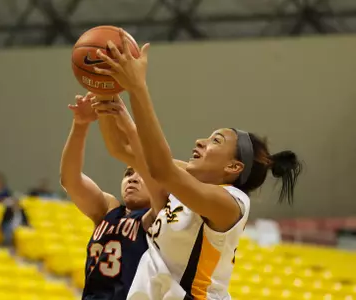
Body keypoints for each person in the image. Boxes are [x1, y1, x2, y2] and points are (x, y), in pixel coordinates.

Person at [92, 29, 302, 299]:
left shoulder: (232, 203)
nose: (201, 141)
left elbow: (160, 167)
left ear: (233, 168)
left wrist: (137, 88)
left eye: (215, 140)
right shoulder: (182, 191)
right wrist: (104, 88)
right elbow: (123, 148)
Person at [60, 93, 165, 300]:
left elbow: (152, 166)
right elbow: (69, 180)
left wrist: (129, 127)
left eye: (139, 174)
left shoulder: (160, 216)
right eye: (127, 173)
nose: (132, 179)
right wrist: (80, 125)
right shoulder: (108, 209)